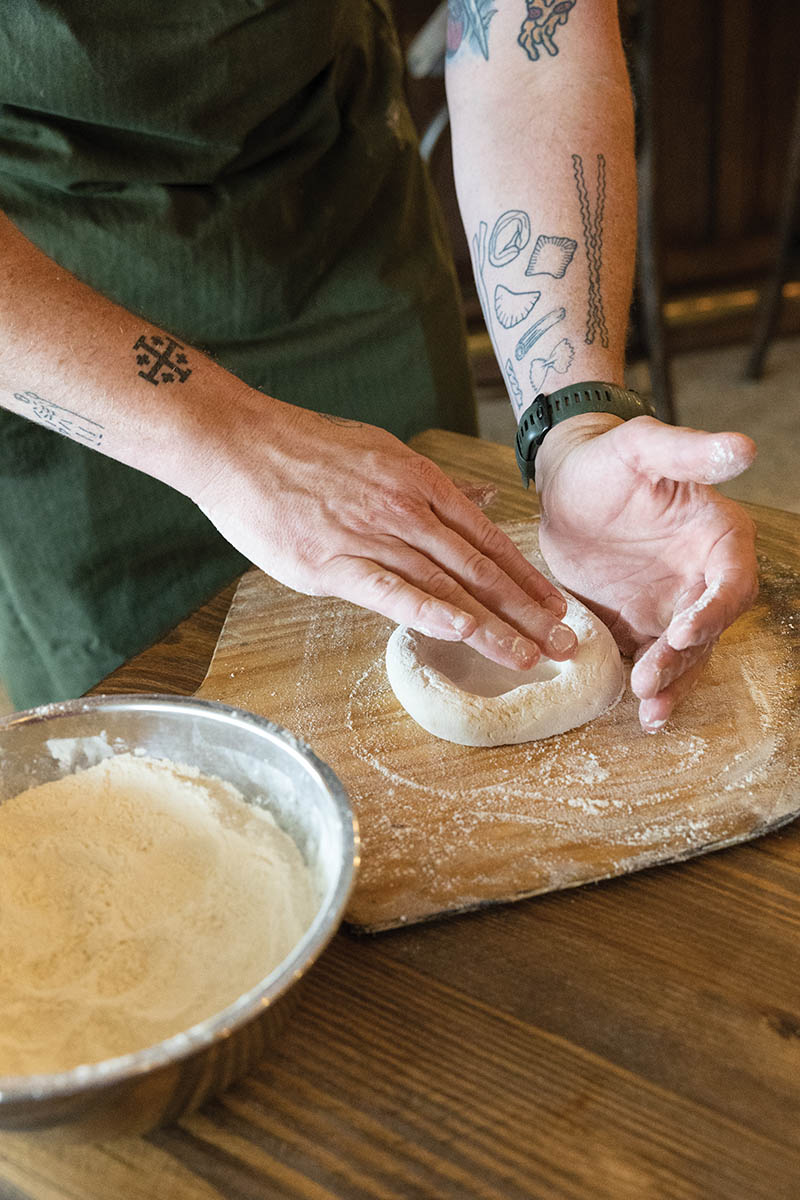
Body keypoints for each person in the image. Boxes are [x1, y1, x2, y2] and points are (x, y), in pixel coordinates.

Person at [0, 0, 757, 733]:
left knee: (447, 580)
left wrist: (571, 422)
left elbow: (532, 42)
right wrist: (232, 440)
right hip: (55, 310)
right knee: (141, 725)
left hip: (341, 220)